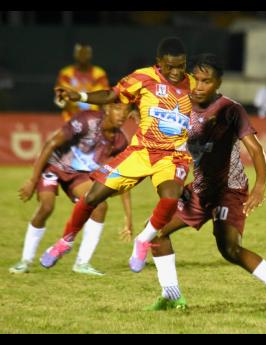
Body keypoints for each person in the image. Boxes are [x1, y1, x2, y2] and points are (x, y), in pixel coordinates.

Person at [141, 54, 266, 318]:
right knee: (157, 232)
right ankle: (172, 296)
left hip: (227, 192)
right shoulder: (183, 105)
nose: (198, 86)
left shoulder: (230, 109)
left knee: (229, 250)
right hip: (198, 190)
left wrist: (260, 185)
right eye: (196, 79)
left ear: (218, 83)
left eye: (206, 81)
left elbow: (255, 149)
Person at [40, 37, 196, 271]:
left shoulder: (193, 84)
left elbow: (213, 108)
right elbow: (111, 95)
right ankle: (65, 241)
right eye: (170, 66)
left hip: (172, 156)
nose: (176, 72)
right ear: (158, 63)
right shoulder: (143, 78)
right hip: (141, 152)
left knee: (171, 198)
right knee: (92, 197)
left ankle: (143, 240)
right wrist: (79, 96)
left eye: (181, 66)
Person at [9, 103, 133, 276]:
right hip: (54, 166)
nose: (122, 115)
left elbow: (122, 177)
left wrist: (128, 217)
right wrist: (32, 179)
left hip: (79, 175)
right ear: (107, 109)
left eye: (126, 112)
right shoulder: (87, 120)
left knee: (100, 206)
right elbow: (51, 143)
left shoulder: (120, 141)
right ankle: (25, 260)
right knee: (46, 207)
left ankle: (82, 263)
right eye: (118, 109)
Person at [54, 43, 110, 122]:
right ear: (75, 54)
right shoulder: (66, 73)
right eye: (80, 53)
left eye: (85, 53)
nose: (83, 56)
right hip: (70, 119)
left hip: (93, 120)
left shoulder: (99, 73)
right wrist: (62, 99)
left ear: (90, 55)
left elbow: (103, 96)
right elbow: (62, 96)